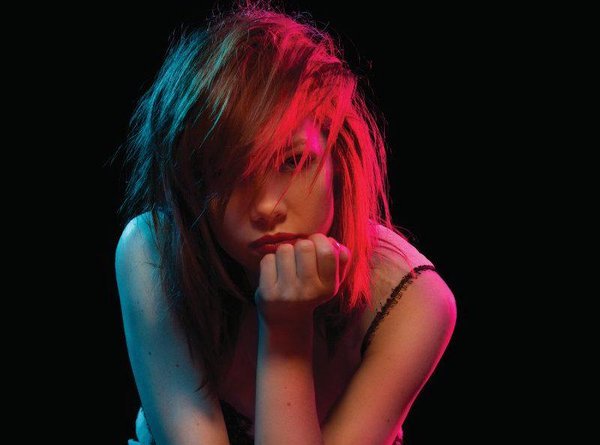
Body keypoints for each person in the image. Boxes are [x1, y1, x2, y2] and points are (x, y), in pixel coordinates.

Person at [115, 2, 457, 444]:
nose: (266, 207)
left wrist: (286, 332)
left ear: (337, 156)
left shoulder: (412, 301)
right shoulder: (153, 253)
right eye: (226, 173)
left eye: (292, 162)